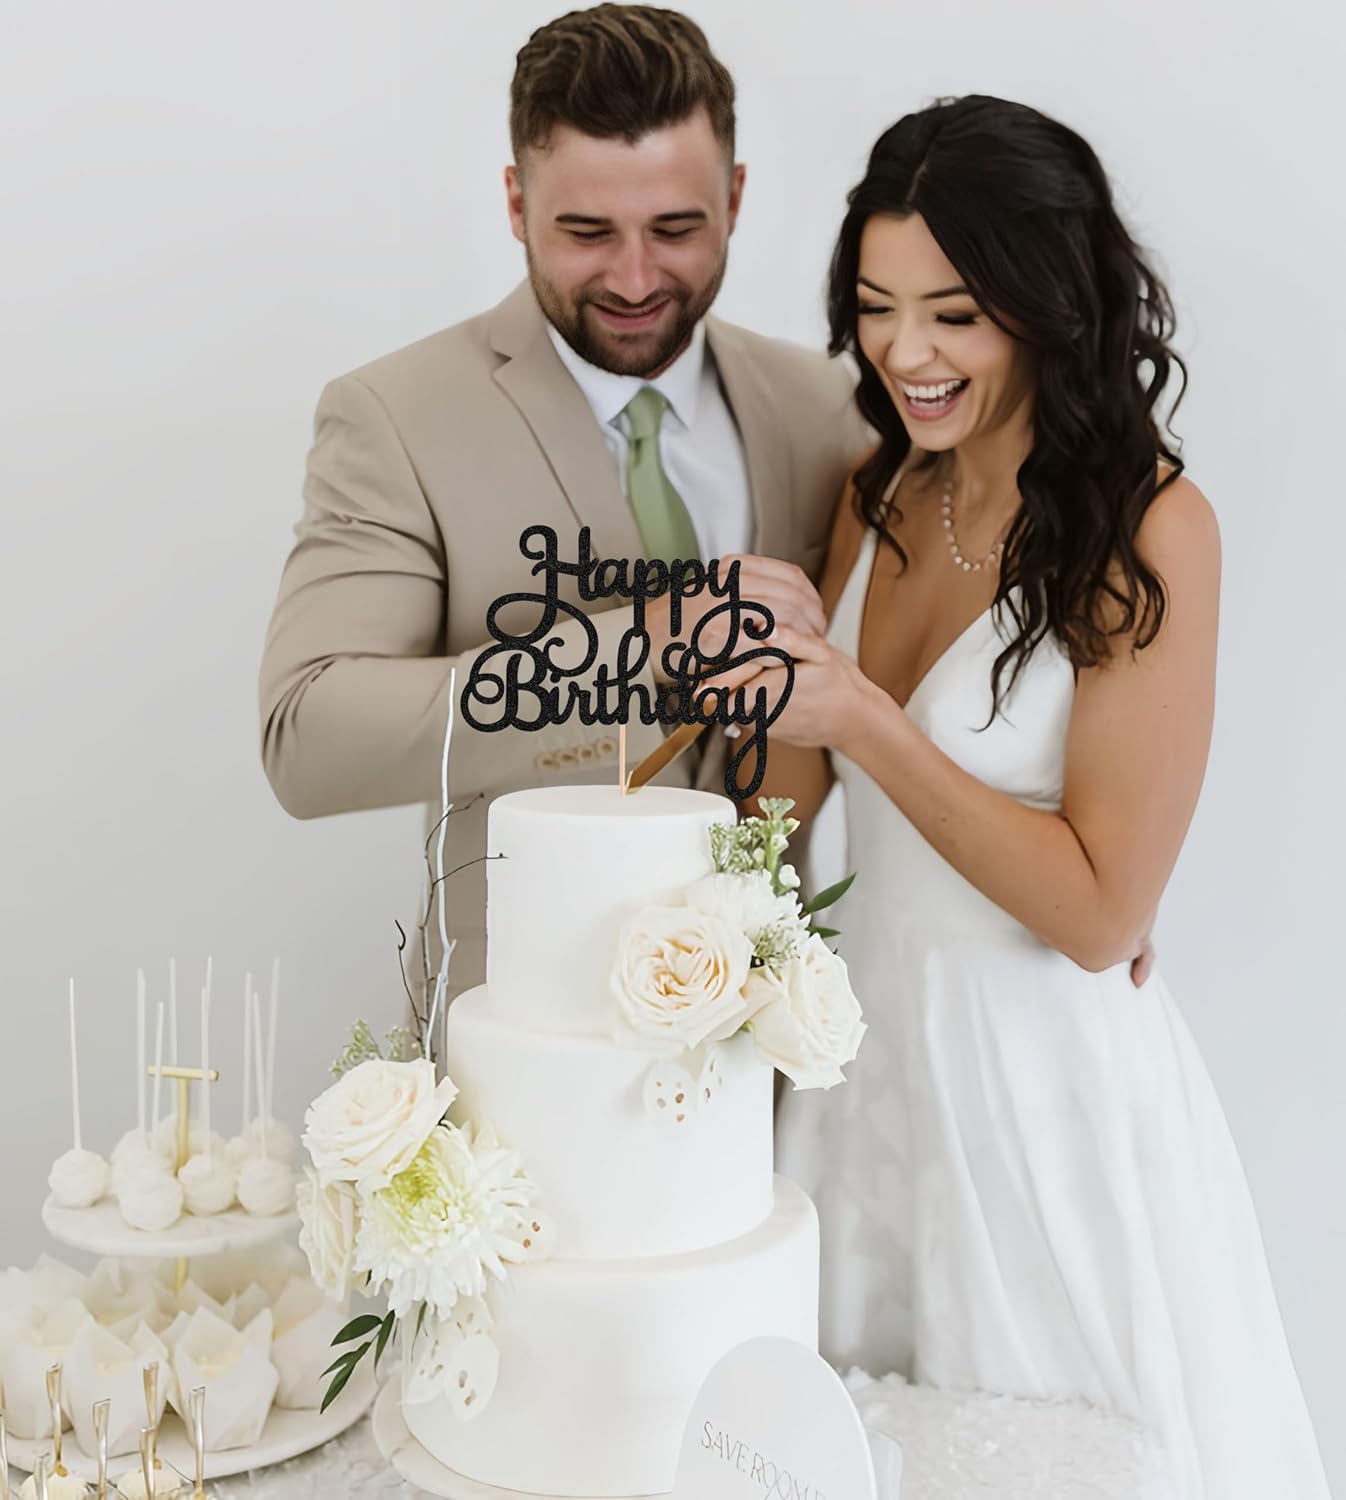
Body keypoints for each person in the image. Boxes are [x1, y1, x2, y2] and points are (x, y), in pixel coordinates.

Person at [747, 95, 1331, 1498]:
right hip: (860, 1085)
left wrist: (863, 715)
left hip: (1035, 1102)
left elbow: (1099, 913)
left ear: (1048, 306)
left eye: (952, 314)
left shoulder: (1149, 529)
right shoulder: (877, 491)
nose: (904, 353)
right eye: (875, 309)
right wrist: (765, 668)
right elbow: (786, 818)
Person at [258, 4, 867, 996]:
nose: (634, 277)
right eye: (585, 232)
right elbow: (309, 738)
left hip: (767, 1031)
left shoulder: (824, 406)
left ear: (735, 197)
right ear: (515, 202)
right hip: (512, 1026)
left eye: (675, 228)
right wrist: (647, 647)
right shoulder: (394, 416)